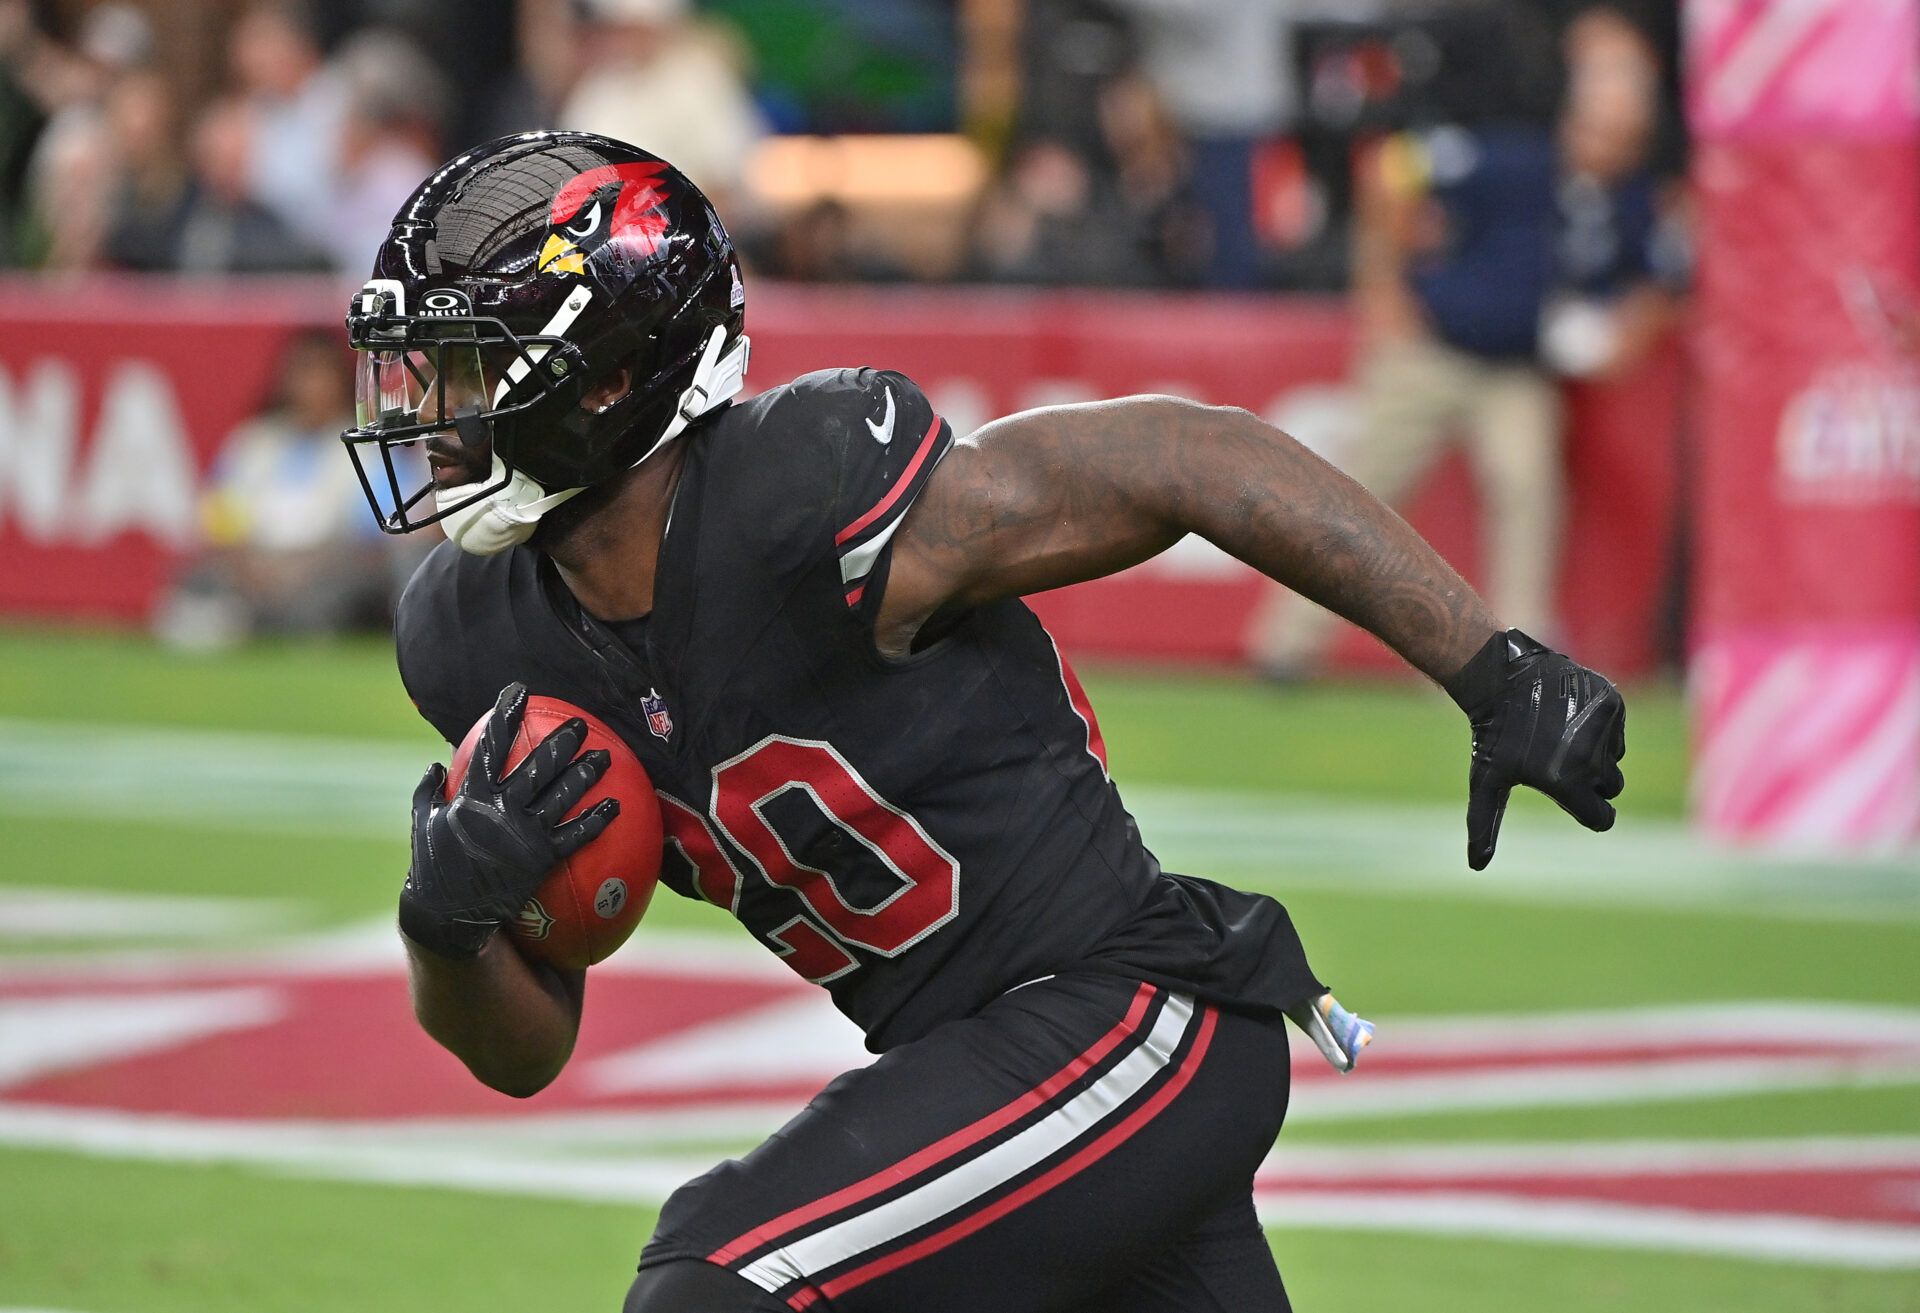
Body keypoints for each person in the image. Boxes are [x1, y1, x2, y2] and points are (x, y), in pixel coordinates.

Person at [342, 131, 1626, 1313]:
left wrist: (1495, 671)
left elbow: (1193, 455)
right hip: (1000, 1082)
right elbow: (522, 1052)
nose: (423, 414)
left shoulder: (798, 499)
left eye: (464, 367)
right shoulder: (477, 634)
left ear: (611, 379)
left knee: (720, 1280)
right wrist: (444, 925)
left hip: (1132, 1014)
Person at [1248, 5, 1685, 679]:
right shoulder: (1513, 157)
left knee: (1528, 486)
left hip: (1514, 368)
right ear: (1575, 120)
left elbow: (1657, 281)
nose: (1611, 150)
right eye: (1602, 132)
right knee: (1359, 496)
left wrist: (1625, 332)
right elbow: (1389, 171)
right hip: (1432, 351)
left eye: (1624, 139)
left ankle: (1520, 661)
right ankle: (1283, 647)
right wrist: (1383, 289)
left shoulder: (1624, 200)